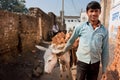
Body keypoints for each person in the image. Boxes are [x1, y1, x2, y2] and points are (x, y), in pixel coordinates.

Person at [59, 1, 109, 80]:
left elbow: (105, 50)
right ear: (87, 12)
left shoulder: (104, 31)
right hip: (82, 62)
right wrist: (63, 51)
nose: (94, 14)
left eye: (96, 11)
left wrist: (104, 70)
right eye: (91, 11)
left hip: (95, 63)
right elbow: (71, 41)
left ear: (100, 12)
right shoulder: (80, 27)